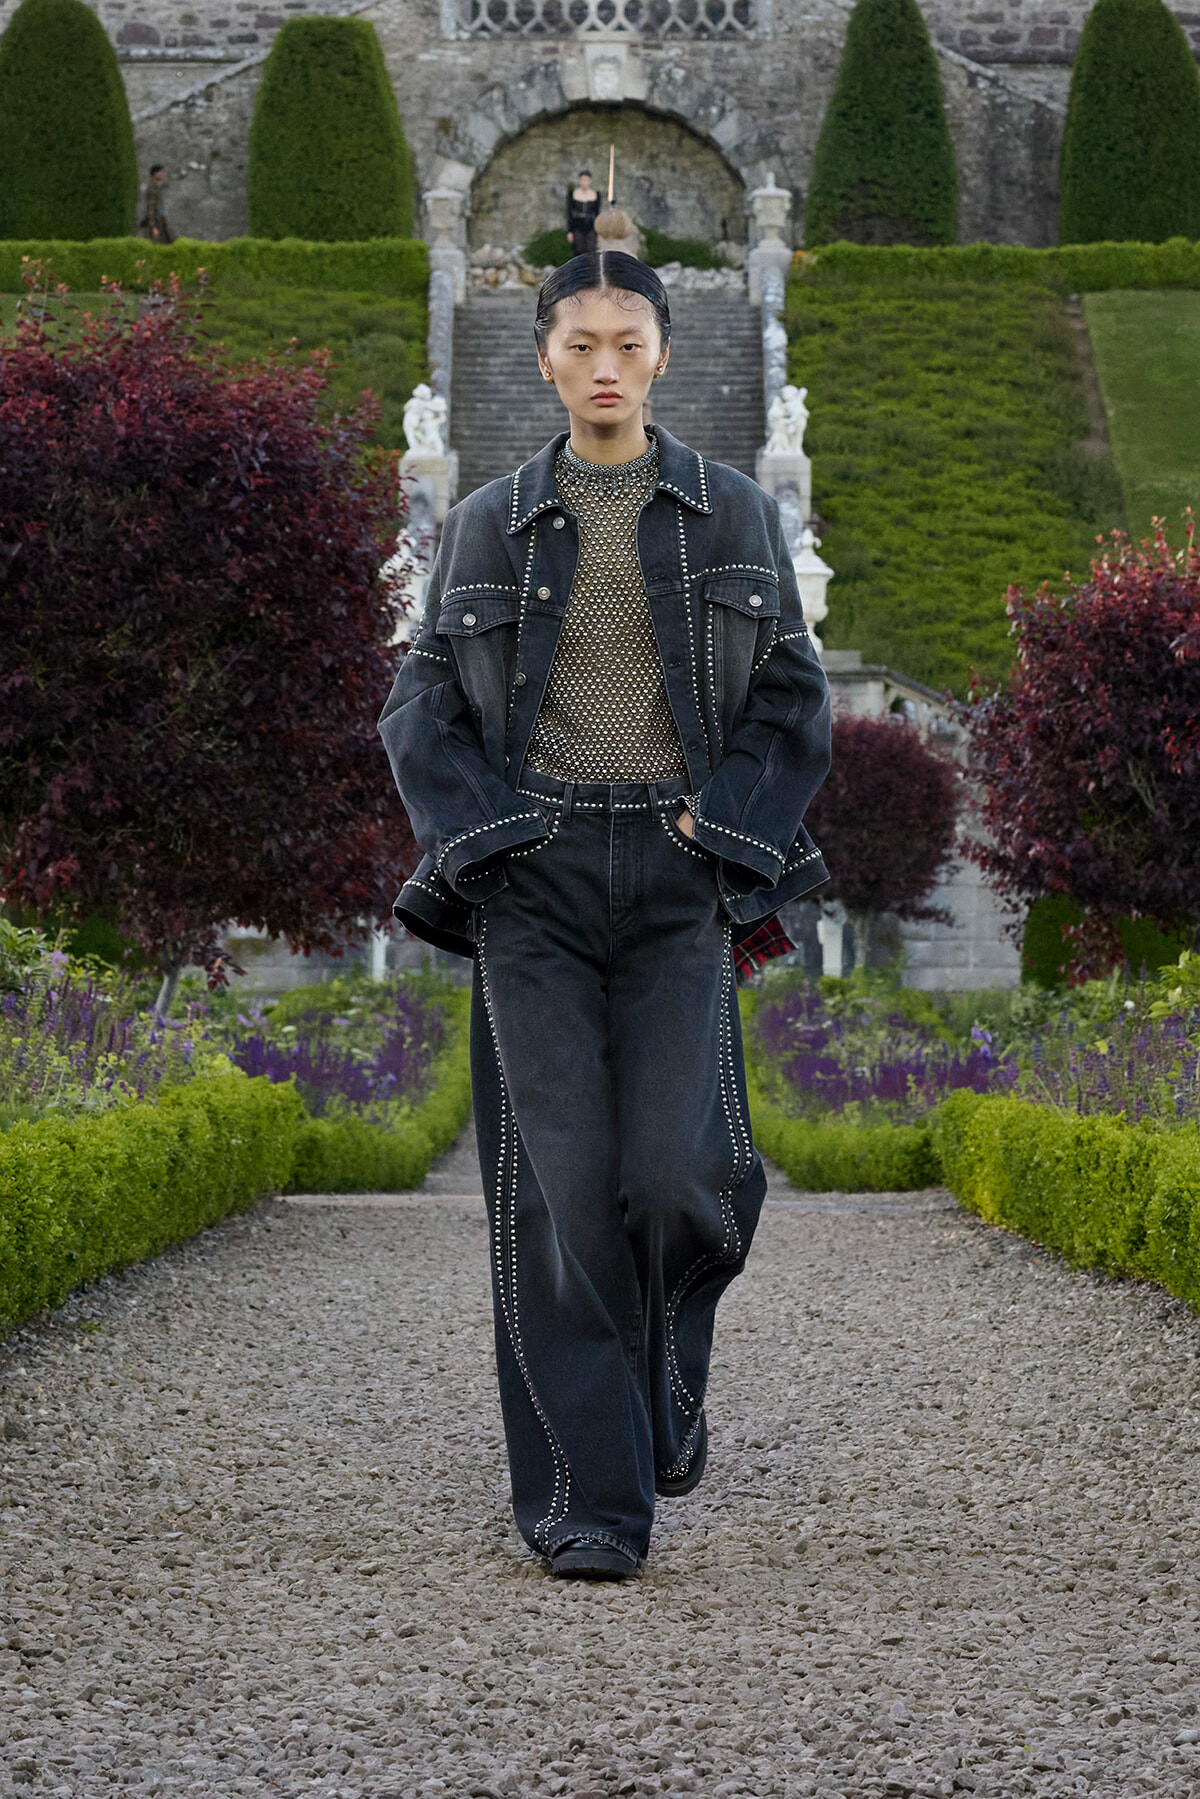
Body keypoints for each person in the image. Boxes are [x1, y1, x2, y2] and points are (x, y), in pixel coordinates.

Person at [379, 252, 831, 1582]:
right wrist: (488, 838)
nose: (604, 365)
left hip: (681, 871)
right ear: (544, 360)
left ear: (662, 353)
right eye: (579, 343)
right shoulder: (486, 524)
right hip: (539, 874)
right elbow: (420, 709)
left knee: (682, 1174)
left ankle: (664, 1383)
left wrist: (723, 827)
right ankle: (592, 1497)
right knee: (558, 1191)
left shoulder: (736, 512)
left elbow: (794, 706)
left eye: (626, 341)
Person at [566, 169, 601, 256]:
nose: (584, 182)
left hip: (591, 225)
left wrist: (599, 231)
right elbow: (569, 213)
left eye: (586, 180)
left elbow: (597, 213)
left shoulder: (595, 194)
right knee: (578, 249)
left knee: (591, 249)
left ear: (590, 181)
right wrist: (569, 231)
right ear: (580, 181)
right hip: (577, 225)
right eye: (582, 180)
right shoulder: (573, 194)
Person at [141, 164, 173, 244]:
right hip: (156, 223)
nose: (163, 174)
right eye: (161, 172)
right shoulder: (152, 189)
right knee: (159, 245)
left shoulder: (157, 188)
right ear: (155, 174)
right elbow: (151, 210)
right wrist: (153, 227)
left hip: (160, 221)